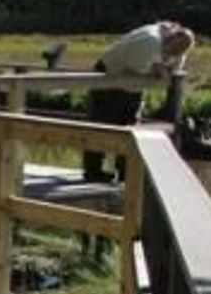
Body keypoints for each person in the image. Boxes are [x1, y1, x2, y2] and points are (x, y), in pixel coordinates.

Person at [83, 21, 195, 180]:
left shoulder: (179, 48)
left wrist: (161, 69)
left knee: (130, 127)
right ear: (170, 39)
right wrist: (159, 70)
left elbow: (169, 72)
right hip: (111, 74)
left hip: (135, 84)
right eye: (174, 50)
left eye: (180, 52)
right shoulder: (150, 41)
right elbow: (136, 70)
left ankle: (125, 173)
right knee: (102, 124)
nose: (175, 55)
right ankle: (93, 172)